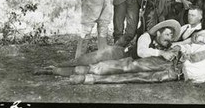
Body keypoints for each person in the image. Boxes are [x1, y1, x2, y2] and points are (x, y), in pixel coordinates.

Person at [69, 31, 205, 85]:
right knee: (132, 66)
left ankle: (90, 79)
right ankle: (89, 69)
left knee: (135, 78)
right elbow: (184, 45)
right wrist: (181, 49)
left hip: (175, 75)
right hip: (170, 62)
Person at [34, 20, 182, 78]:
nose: (169, 37)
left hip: (125, 62)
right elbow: (141, 52)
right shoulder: (146, 37)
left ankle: (52, 70)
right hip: (117, 53)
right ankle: (58, 65)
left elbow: (182, 47)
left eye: (171, 35)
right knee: (85, 59)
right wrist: (161, 52)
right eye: (167, 34)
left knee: (90, 68)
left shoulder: (167, 46)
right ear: (158, 32)